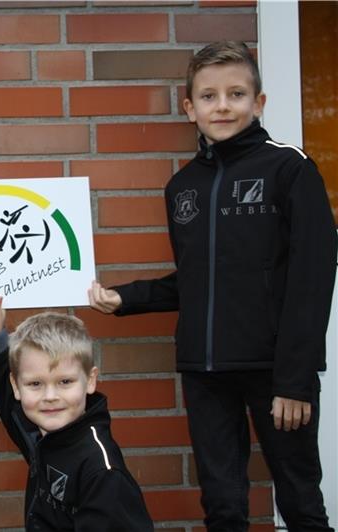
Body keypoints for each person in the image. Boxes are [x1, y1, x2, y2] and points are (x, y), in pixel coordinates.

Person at [89, 41, 335, 532]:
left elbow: (313, 279)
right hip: (205, 372)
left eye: (236, 94)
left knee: (300, 500)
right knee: (222, 506)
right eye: (208, 96)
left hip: (274, 373)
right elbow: (198, 281)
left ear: (258, 103)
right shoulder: (183, 187)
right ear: (190, 108)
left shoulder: (290, 169)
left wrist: (295, 380)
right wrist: (126, 299)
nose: (222, 106)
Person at [0, 297, 153, 530]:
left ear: (90, 380)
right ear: (16, 386)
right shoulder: (47, 435)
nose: (50, 396)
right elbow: (13, 412)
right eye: (35, 384)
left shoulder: (102, 473)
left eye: (65, 381)